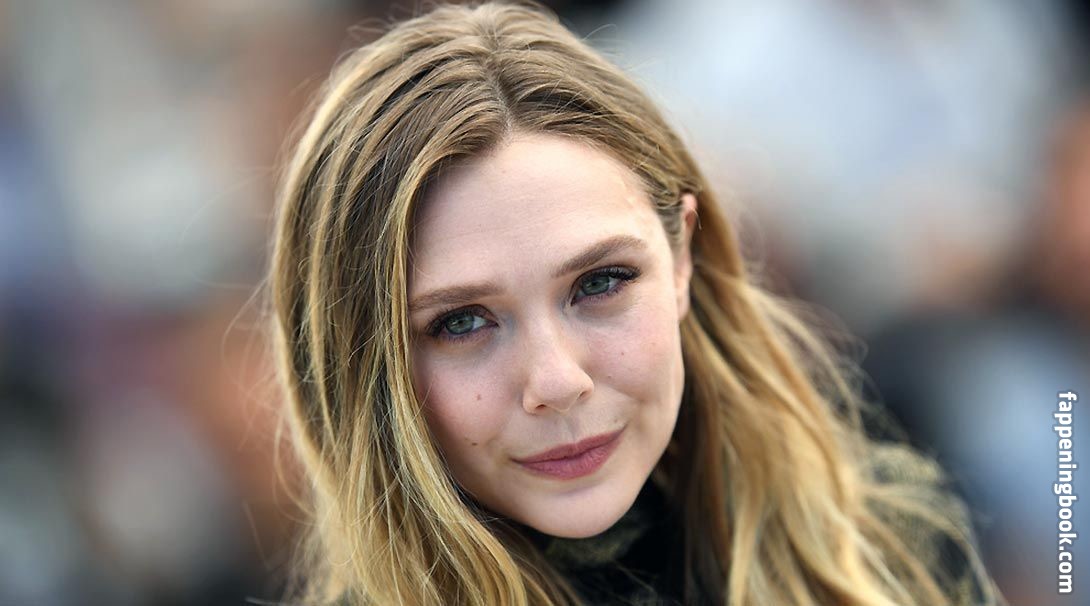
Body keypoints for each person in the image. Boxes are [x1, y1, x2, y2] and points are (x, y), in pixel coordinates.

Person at [268, 3, 1003, 604]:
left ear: (681, 258)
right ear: (358, 361)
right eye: (460, 323)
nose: (557, 381)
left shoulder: (893, 549)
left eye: (600, 283)